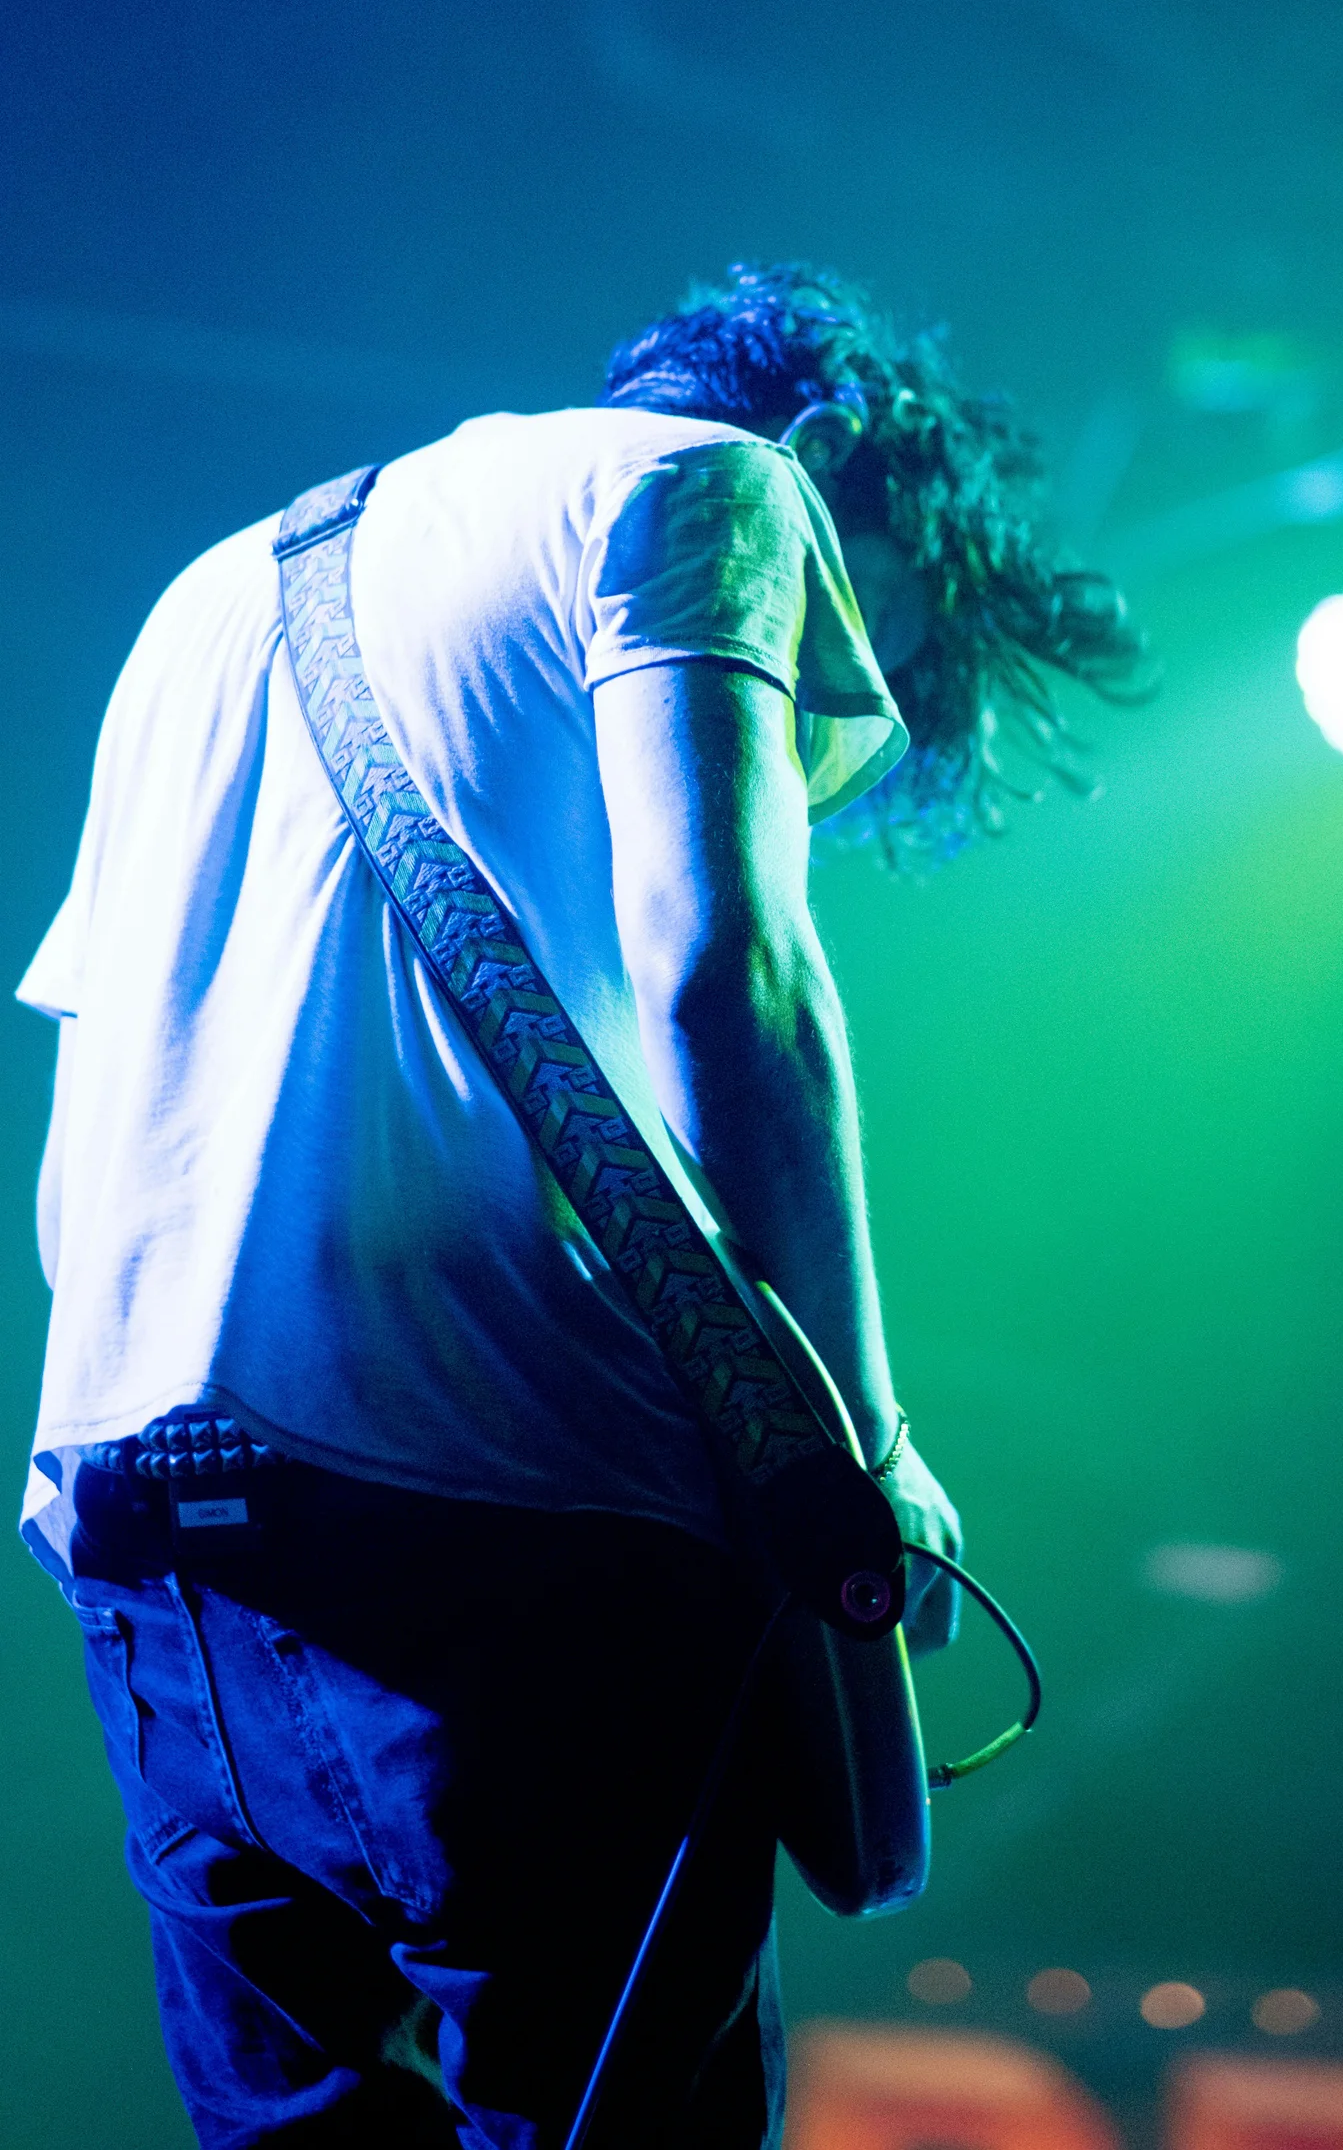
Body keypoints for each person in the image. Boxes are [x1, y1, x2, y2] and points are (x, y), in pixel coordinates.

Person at [18, 262, 1145, 2149]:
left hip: (142, 1525)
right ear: (839, 446)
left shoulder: (206, 597)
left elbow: (94, 1103)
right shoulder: (716, 484)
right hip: (497, 1520)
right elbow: (730, 972)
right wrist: (856, 1448)